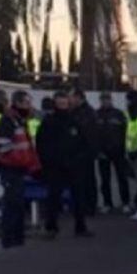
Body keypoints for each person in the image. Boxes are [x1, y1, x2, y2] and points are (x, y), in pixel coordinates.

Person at [36, 88, 92, 238]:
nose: (63, 105)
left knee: (78, 197)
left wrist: (80, 159)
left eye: (65, 102)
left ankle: (80, 227)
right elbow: (41, 144)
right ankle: (51, 227)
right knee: (53, 197)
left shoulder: (74, 121)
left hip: (74, 166)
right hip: (55, 167)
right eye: (60, 103)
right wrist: (49, 162)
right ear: (55, 104)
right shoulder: (48, 122)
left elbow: (84, 142)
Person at [0, 91, 41, 249]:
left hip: (20, 168)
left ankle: (17, 238)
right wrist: (18, 157)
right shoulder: (8, 121)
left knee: (18, 204)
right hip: (10, 168)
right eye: (27, 103)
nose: (29, 107)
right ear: (18, 103)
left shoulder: (20, 121)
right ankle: (9, 239)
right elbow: (2, 146)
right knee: (12, 204)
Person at [95, 92, 130, 214]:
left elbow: (126, 132)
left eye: (107, 99)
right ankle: (107, 203)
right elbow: (93, 135)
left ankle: (125, 202)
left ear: (111, 100)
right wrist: (97, 150)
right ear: (100, 101)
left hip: (118, 151)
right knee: (105, 180)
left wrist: (125, 148)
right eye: (103, 99)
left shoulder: (119, 114)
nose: (105, 102)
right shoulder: (96, 115)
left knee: (122, 178)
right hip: (103, 152)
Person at [71, 90, 100, 217]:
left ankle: (89, 206)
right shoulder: (77, 112)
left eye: (73, 97)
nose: (71, 100)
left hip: (84, 152)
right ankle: (83, 206)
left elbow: (88, 134)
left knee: (87, 180)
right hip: (79, 152)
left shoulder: (87, 113)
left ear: (79, 98)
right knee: (81, 181)